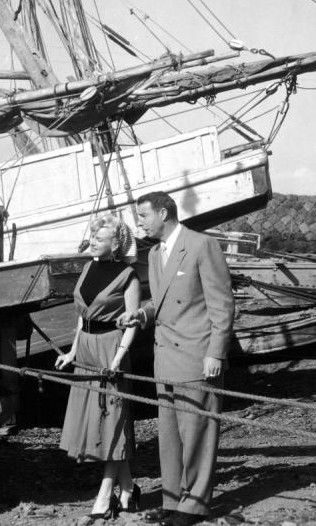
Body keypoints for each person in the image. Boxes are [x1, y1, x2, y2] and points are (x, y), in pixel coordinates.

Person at [117, 191, 234, 526]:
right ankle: (172, 501)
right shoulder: (155, 254)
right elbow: (163, 301)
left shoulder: (201, 246)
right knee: (170, 436)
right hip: (166, 357)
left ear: (164, 213)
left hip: (197, 357)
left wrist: (216, 352)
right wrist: (141, 314)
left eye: (143, 215)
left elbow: (222, 305)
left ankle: (194, 506)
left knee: (197, 432)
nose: (138, 222)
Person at [56, 212, 142, 519]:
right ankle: (129, 490)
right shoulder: (87, 268)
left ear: (116, 243)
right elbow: (83, 317)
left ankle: (105, 496)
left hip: (110, 349)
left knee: (112, 421)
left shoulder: (128, 275)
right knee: (98, 421)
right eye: (92, 236)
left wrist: (118, 358)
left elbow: (132, 323)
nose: (93, 242)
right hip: (87, 351)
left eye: (100, 238)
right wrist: (72, 351)